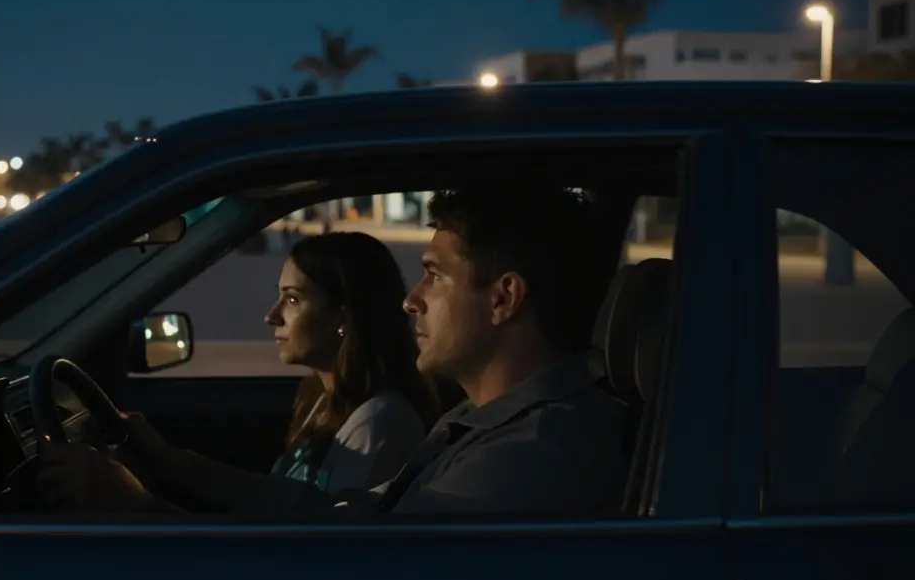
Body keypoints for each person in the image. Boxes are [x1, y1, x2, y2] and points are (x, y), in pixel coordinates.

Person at [40, 187, 627, 517]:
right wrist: (169, 462)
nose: (410, 301)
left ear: (504, 299)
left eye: (434, 276)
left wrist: (140, 510)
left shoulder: (529, 455)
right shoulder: (477, 421)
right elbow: (335, 517)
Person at [39, 232, 442, 514]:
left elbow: (311, 561)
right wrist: (165, 459)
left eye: (292, 299)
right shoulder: (325, 401)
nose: (271, 316)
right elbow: (277, 504)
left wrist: (139, 506)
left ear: (343, 316)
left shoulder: (380, 425)